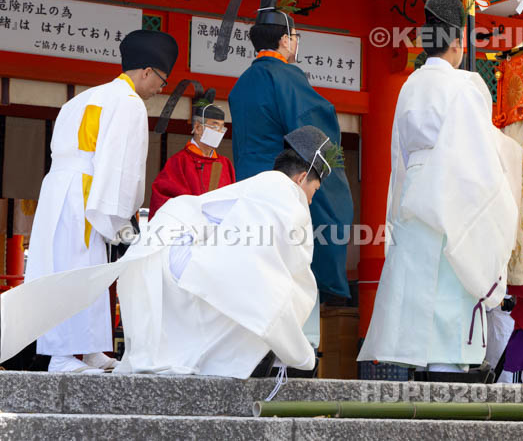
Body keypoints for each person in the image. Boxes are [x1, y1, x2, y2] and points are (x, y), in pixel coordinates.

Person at [0, 126, 337, 378]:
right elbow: (296, 266)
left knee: (243, 293)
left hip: (167, 245)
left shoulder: (263, 181)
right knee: (272, 292)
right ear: (302, 177)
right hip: (183, 252)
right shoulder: (287, 195)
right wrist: (302, 352)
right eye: (314, 189)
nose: (311, 198)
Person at [357, 0, 522, 374]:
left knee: (416, 294)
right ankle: (448, 371)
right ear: (458, 43)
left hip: (415, 196)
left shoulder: (408, 86)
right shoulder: (466, 85)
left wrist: (396, 209)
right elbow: (480, 156)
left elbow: (397, 155)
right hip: (452, 195)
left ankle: (419, 364)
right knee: (450, 288)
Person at [22, 29, 177, 374]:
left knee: (76, 268)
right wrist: (123, 219)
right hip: (87, 190)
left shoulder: (81, 98)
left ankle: (89, 350)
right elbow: (121, 164)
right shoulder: (128, 102)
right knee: (78, 270)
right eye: (161, 80)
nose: (160, 89)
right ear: (147, 71)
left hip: (59, 188)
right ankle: (62, 357)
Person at [220, 0, 355, 356]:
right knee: (293, 279)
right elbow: (315, 140)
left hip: (249, 194)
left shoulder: (242, 83)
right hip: (283, 195)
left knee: (258, 278)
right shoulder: (287, 78)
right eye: (295, 37)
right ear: (285, 40)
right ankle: (299, 355)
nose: (296, 44)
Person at [149, 81, 235, 216]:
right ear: (198, 128)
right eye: (214, 126)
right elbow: (163, 200)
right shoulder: (179, 162)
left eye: (221, 127)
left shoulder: (224, 164)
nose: (219, 131)